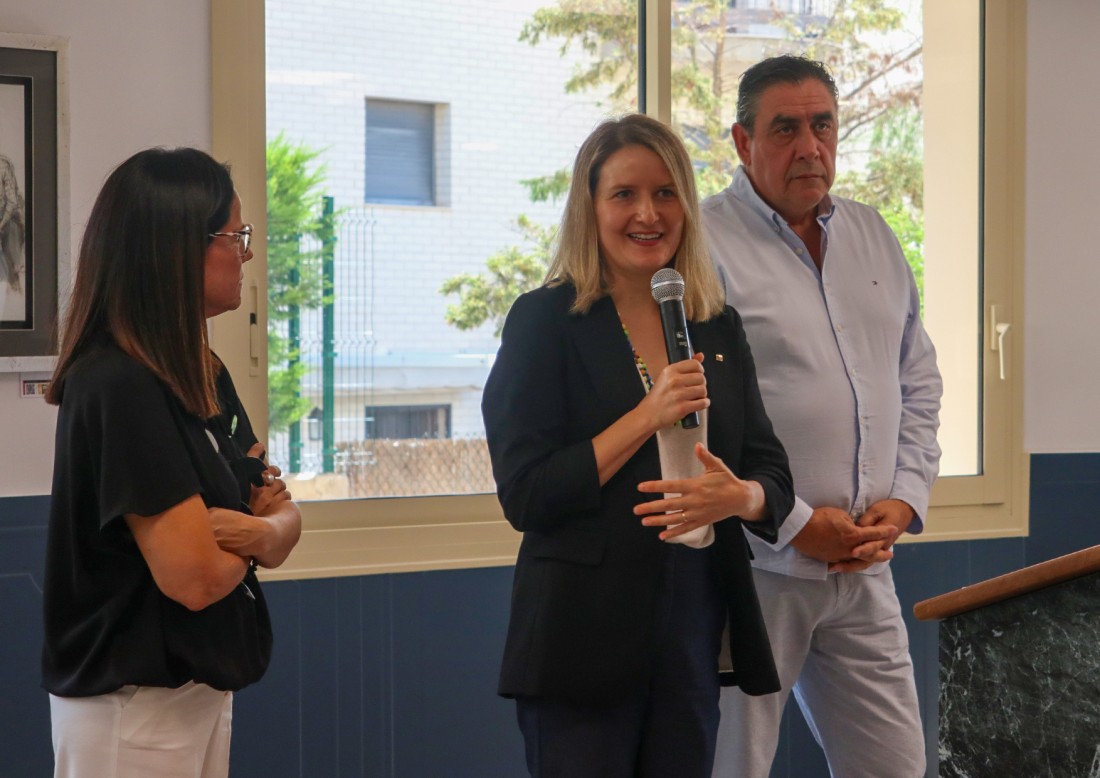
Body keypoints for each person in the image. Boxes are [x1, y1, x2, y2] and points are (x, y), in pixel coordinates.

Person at [481, 113, 795, 777]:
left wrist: (739, 497)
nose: (648, 214)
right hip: (580, 640)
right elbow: (527, 494)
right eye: (624, 194)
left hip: (693, 629)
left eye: (665, 193)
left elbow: (771, 470)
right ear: (590, 209)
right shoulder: (545, 321)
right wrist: (647, 415)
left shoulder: (716, 323)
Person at [701, 55, 943, 778]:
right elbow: (700, 420)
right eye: (786, 128)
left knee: (895, 767)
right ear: (743, 142)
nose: (810, 146)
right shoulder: (703, 245)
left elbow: (917, 380)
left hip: (865, 564)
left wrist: (905, 498)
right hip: (755, 566)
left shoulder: (873, 235)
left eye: (823, 125)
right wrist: (799, 523)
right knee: (732, 766)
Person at [42, 147, 302, 778]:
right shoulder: (117, 384)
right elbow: (194, 577)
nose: (246, 254)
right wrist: (257, 534)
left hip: (198, 693)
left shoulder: (201, 371)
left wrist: (248, 531)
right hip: (131, 708)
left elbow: (279, 515)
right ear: (177, 249)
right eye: (235, 236)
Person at [0, 152, 25, 292]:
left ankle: (14, 280)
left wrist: (1, 224)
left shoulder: (3, 166)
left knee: (12, 230)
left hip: (7, 217)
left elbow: (12, 202)